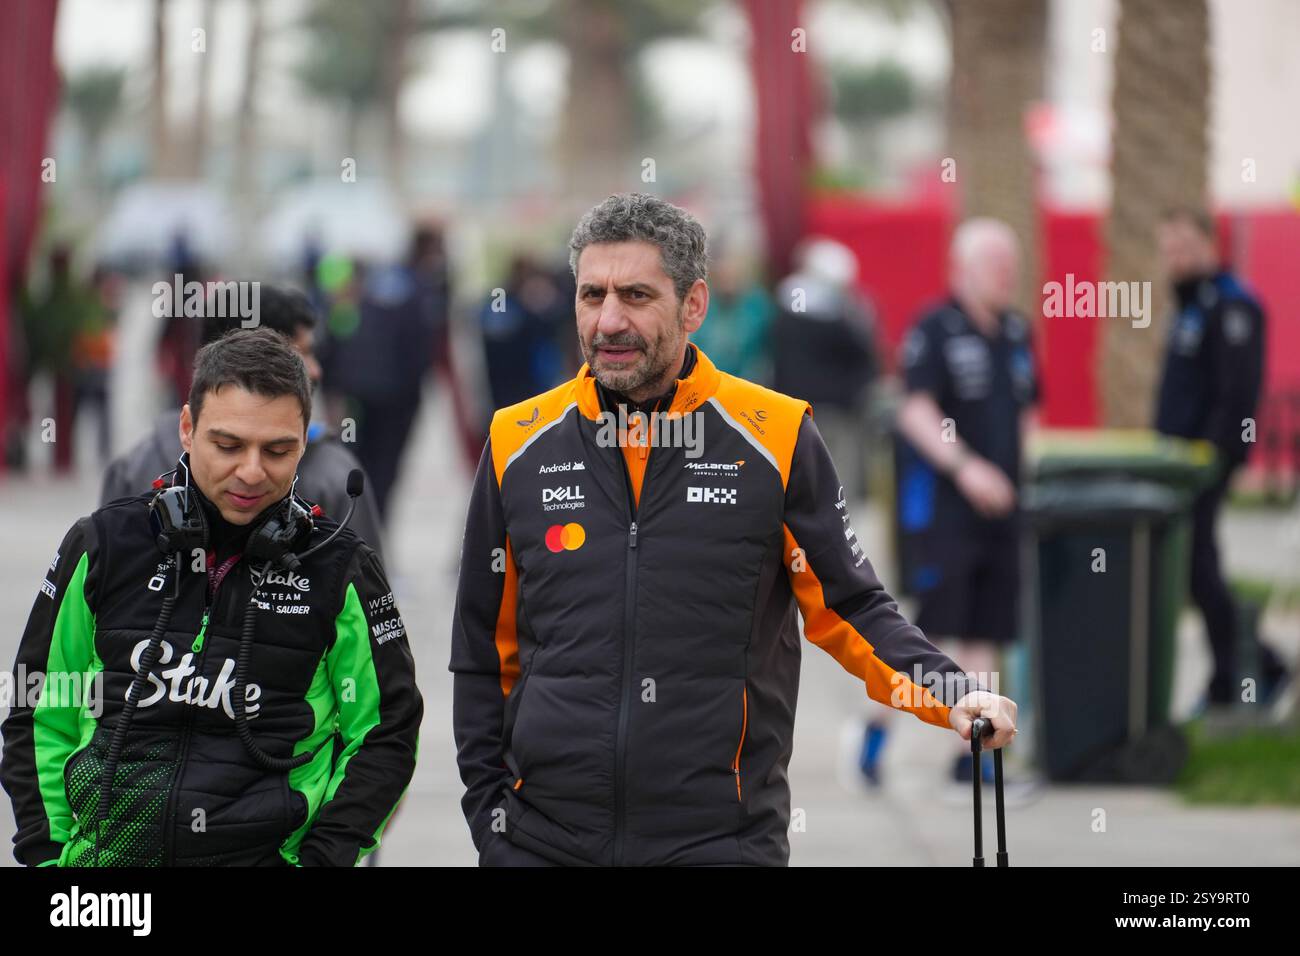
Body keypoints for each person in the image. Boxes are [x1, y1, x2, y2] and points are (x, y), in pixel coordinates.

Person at [450, 193, 1017, 867]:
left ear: (694, 305)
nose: (608, 320)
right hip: (542, 843)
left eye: (635, 295)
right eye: (591, 294)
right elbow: (484, 647)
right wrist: (492, 819)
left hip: (721, 841)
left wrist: (950, 693)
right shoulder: (517, 439)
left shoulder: (775, 436)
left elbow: (849, 606)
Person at [1, 328, 422, 866]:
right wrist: (48, 854)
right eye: (227, 445)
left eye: (277, 450)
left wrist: (323, 858)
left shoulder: (341, 569)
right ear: (186, 428)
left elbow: (387, 731)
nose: (251, 471)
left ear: (304, 442)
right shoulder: (102, 543)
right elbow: (39, 704)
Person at [884, 218, 1039, 786]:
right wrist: (966, 467)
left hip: (1004, 510)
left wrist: (1024, 473)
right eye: (995, 265)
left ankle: (977, 756)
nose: (1006, 276)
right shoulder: (935, 330)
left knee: (986, 629)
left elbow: (1026, 415)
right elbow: (915, 411)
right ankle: (876, 728)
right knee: (929, 631)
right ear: (963, 269)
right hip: (945, 508)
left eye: (1011, 266)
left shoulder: (1018, 333)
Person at [99, 284, 387, 560]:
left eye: (276, 451)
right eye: (301, 356)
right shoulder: (132, 471)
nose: (315, 370)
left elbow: (365, 590)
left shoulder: (336, 476)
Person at [1153, 207, 1288, 708]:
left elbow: (1236, 393)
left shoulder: (1233, 304)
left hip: (1205, 464)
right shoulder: (1187, 306)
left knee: (1198, 565)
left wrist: (1210, 456)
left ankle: (1250, 670)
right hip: (1176, 464)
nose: (1176, 258)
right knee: (1195, 566)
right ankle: (1242, 671)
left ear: (1210, 243)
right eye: (1168, 250)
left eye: (1185, 247)